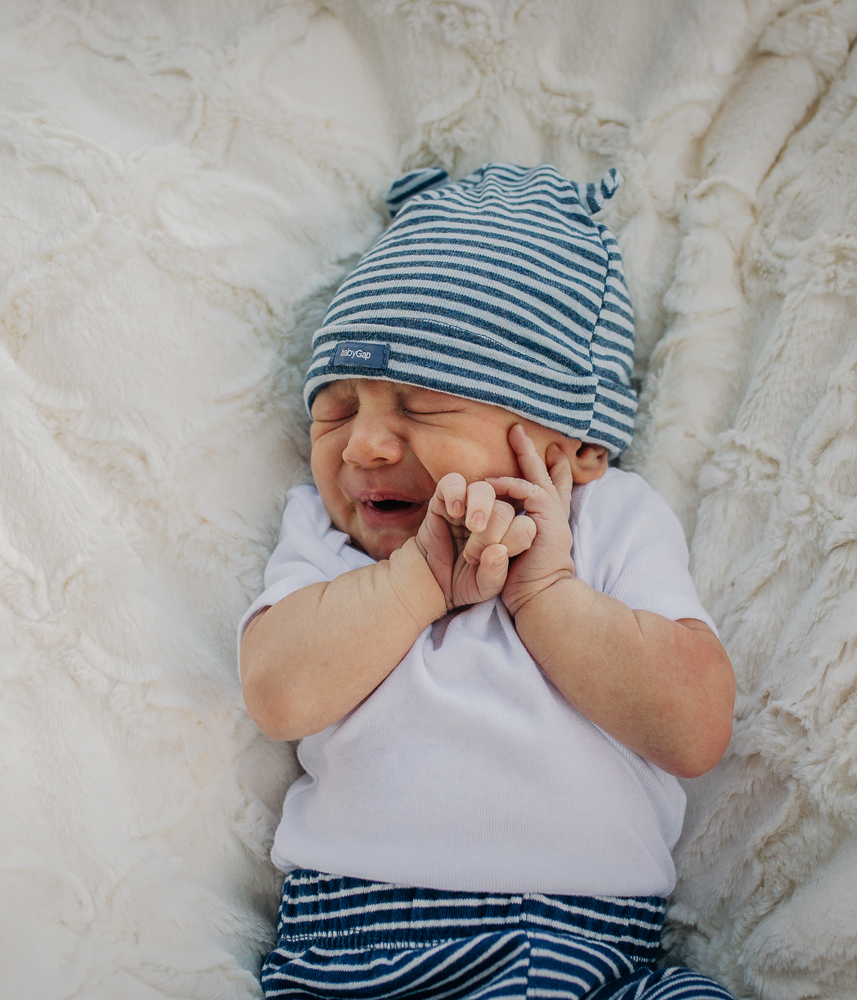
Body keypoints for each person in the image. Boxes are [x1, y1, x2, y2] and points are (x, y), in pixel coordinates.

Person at [237, 163, 737, 1000]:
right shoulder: (327, 538)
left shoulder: (610, 520)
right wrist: (416, 582)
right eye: (336, 410)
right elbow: (279, 693)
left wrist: (547, 595)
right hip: (352, 958)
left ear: (574, 448)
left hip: (597, 956)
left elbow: (693, 729)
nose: (363, 447)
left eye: (421, 407)